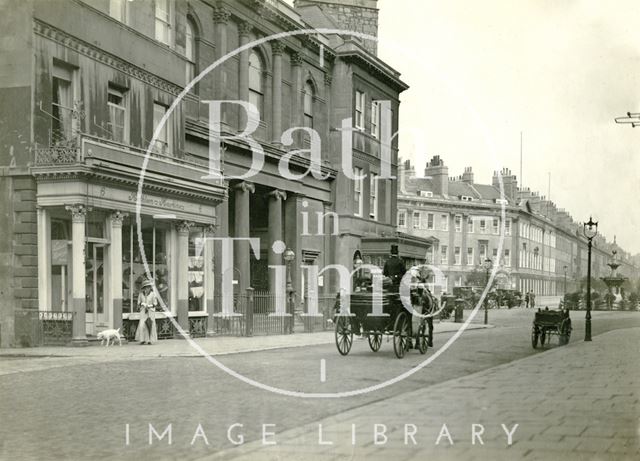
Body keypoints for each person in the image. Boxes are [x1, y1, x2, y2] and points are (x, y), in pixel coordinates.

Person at [135, 279, 158, 345]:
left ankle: (149, 340)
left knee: (150, 324)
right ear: (144, 288)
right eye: (146, 287)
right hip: (143, 311)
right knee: (142, 325)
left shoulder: (153, 294)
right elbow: (138, 303)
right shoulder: (141, 294)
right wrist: (142, 304)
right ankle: (142, 340)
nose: (147, 288)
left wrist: (150, 305)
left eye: (148, 287)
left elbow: (155, 304)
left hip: (150, 312)